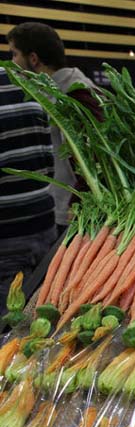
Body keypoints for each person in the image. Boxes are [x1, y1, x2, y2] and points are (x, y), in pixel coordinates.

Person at [7, 22, 102, 227]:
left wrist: (78, 203)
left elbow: (93, 158)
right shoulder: (54, 93)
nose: (12, 63)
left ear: (33, 59)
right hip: (66, 208)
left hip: (76, 213)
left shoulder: (76, 95)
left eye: (14, 54)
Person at [0, 66, 55, 317]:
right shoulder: (22, 81)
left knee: (11, 321)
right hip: (43, 219)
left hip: (7, 231)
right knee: (43, 306)